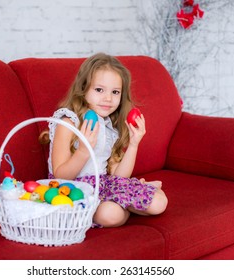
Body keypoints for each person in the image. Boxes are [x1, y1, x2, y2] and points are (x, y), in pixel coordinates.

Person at [43, 53, 168, 227]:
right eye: (99, 90)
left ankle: (131, 197)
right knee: (110, 215)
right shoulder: (68, 122)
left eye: (115, 92)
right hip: (72, 190)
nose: (108, 98)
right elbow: (61, 175)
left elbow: (119, 176)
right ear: (83, 88)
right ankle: (128, 202)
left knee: (160, 203)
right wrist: (83, 151)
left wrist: (133, 144)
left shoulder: (109, 127)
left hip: (103, 185)